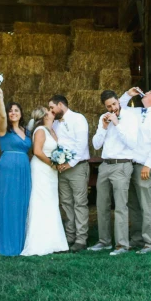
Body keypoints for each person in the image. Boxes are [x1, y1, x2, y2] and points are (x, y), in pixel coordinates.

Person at [88, 90, 139, 256]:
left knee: (120, 206)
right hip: (105, 165)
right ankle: (104, 241)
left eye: (114, 105)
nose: (112, 109)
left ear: (119, 102)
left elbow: (132, 143)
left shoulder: (130, 117)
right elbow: (96, 145)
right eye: (108, 106)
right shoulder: (104, 118)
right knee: (102, 205)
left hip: (122, 165)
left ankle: (122, 244)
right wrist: (103, 127)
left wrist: (117, 124)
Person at [120, 87, 151, 254]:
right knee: (133, 204)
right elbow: (119, 107)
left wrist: (148, 165)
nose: (144, 93)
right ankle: (137, 238)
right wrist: (127, 95)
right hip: (133, 164)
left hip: (146, 164)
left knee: (146, 204)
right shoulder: (139, 112)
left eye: (149, 93)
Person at [21, 107, 69, 256]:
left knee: (51, 202)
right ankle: (39, 243)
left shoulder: (50, 130)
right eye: (48, 110)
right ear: (44, 116)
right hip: (42, 168)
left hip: (50, 170)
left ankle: (54, 241)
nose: (51, 111)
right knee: (41, 201)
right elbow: (37, 151)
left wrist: (59, 161)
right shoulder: (40, 130)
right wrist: (52, 163)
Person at [0, 86, 32, 257]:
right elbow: (2, 115)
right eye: (11, 111)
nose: (13, 113)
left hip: (24, 167)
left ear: (21, 113)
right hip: (8, 167)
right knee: (8, 203)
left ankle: (23, 242)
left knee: (23, 202)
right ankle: (8, 245)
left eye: (16, 110)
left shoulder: (27, 131)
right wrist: (0, 97)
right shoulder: (4, 129)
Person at [49, 95, 90, 252]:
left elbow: (81, 144)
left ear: (61, 104)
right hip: (62, 168)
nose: (51, 111)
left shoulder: (78, 119)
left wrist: (69, 164)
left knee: (80, 203)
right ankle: (69, 236)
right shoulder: (56, 123)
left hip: (77, 167)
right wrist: (58, 162)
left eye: (52, 107)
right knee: (66, 203)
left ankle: (81, 239)